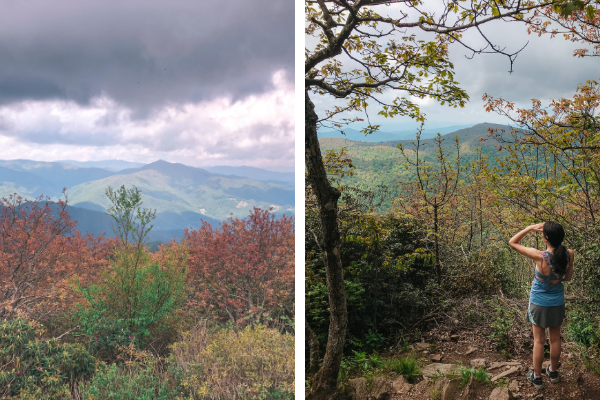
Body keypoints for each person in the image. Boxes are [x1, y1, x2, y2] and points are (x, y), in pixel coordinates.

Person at [508, 221, 574, 390]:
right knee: (555, 339)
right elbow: (567, 278)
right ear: (562, 237)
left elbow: (512, 242)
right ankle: (553, 372)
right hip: (557, 302)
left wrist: (529, 228)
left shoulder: (540, 256)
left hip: (539, 302)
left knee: (539, 341)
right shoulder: (569, 254)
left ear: (545, 238)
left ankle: (537, 378)